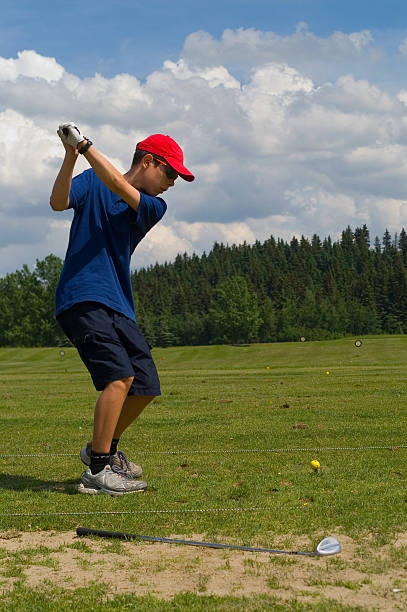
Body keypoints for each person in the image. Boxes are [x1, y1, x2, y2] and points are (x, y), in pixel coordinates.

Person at [50, 122, 194, 496]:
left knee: (145, 384)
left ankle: (103, 448)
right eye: (171, 172)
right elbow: (58, 202)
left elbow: (116, 182)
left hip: (118, 304)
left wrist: (83, 145)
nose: (173, 182)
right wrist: (70, 156)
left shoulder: (153, 206)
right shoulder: (90, 179)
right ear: (149, 161)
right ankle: (98, 470)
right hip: (81, 296)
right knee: (118, 378)